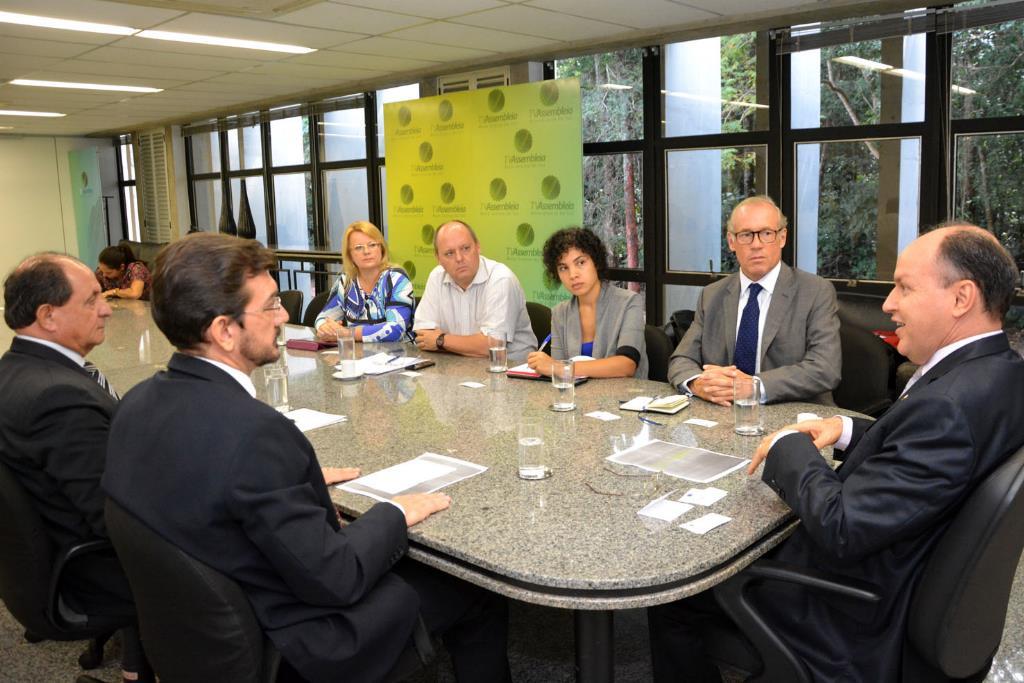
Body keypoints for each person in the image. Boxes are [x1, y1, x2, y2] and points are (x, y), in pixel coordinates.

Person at [102, 233, 511, 683]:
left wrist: (296, 485)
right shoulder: (256, 435)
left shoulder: (135, 404)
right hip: (299, 640)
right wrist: (394, 510)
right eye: (271, 304)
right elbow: (337, 577)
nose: (284, 316)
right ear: (223, 329)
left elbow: (213, 493)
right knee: (477, 592)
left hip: (198, 637)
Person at [648, 224, 1024, 682]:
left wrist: (788, 445)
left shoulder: (946, 406)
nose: (888, 303)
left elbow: (842, 526)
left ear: (962, 298)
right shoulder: (998, 372)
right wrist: (843, 428)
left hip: (848, 615)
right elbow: (922, 453)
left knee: (674, 596)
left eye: (905, 287)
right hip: (904, 570)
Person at [0, 253, 148, 682]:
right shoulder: (58, 397)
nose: (105, 308)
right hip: (94, 572)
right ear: (48, 316)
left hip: (45, 561)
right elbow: (115, 517)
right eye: (92, 300)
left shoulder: (17, 372)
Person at [666, 195, 840, 405]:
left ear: (782, 237)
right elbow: (681, 359)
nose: (756, 245)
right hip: (723, 416)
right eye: (746, 235)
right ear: (731, 241)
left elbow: (825, 368)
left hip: (795, 415)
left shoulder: (815, 291)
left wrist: (754, 386)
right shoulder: (711, 295)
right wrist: (697, 383)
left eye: (767, 233)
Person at [526, 227, 647, 378]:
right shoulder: (560, 313)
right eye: (563, 268)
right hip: (575, 398)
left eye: (580, 262)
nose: (573, 275)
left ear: (595, 261)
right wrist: (554, 367)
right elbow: (558, 373)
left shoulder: (629, 303)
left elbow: (626, 365)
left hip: (623, 398)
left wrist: (560, 368)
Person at [413, 220, 537, 361]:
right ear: (438, 258)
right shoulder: (437, 277)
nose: (459, 258)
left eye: (465, 248)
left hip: (511, 371)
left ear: (478, 247)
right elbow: (424, 336)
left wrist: (441, 340)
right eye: (449, 253)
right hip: (458, 367)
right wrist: (452, 343)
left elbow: (492, 346)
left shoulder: (501, 279)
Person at [313, 220, 414, 342]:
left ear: (381, 248)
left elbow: (395, 330)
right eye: (358, 248)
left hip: (399, 356)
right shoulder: (346, 282)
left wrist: (346, 333)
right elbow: (322, 318)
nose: (366, 251)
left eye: (372, 245)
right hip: (358, 357)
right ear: (350, 255)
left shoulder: (397, 280)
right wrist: (325, 328)